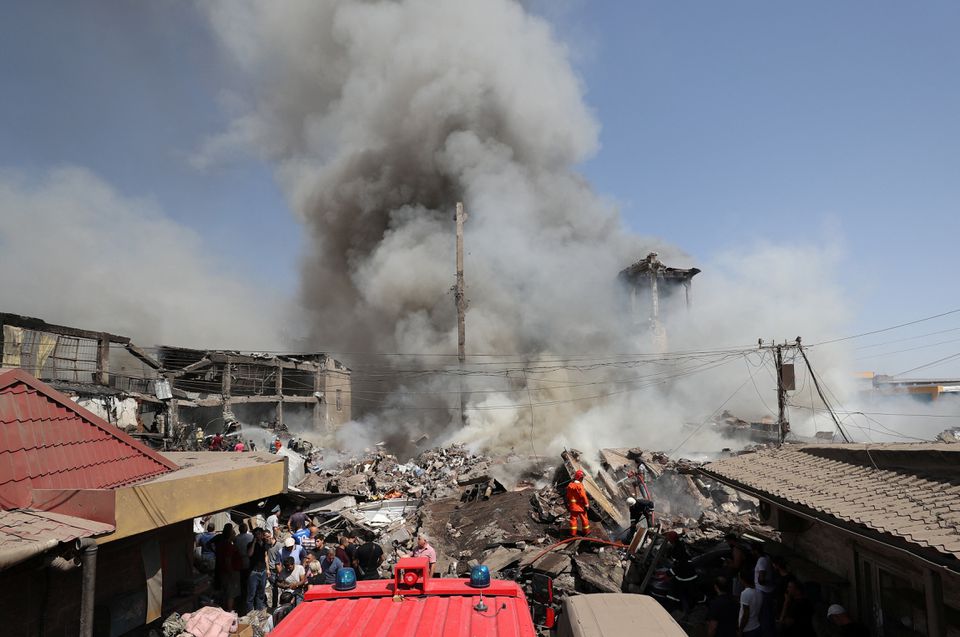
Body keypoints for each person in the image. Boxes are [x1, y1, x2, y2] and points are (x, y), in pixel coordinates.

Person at [751, 543, 775, 636]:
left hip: (763, 591)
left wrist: (761, 582)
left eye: (753, 551)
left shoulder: (761, 561)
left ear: (756, 551)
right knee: (768, 615)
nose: (752, 552)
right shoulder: (767, 557)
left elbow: (761, 577)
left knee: (765, 616)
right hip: (767, 591)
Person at [216, 524, 242, 611]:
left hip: (223, 571)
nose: (235, 534)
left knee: (226, 592)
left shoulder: (221, 543)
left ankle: (225, 609)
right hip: (230, 572)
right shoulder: (228, 546)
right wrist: (231, 572)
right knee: (231, 593)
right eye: (233, 533)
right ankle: (229, 611)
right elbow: (228, 560)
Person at [246, 528, 269, 612]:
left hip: (262, 571)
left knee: (261, 592)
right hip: (254, 571)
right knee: (251, 593)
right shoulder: (250, 544)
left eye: (260, 534)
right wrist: (254, 542)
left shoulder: (264, 543)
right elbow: (249, 554)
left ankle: (259, 610)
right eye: (256, 534)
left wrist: (268, 569)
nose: (258, 536)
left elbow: (266, 555)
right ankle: (250, 612)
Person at [738, 568, 762, 637]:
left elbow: (746, 614)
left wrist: (740, 630)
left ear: (743, 579)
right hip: (757, 625)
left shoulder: (745, 593)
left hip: (748, 629)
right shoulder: (759, 591)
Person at [565, 469, 590, 536]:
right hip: (580, 507)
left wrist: (569, 503)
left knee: (573, 519)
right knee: (584, 519)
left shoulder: (570, 485)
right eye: (582, 478)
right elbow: (583, 496)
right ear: (580, 478)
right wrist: (586, 504)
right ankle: (586, 532)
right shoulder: (580, 486)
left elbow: (568, 495)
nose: (583, 479)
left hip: (573, 506)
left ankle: (573, 533)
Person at [235, 523, 254, 606]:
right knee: (249, 578)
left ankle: (243, 595)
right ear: (246, 529)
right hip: (248, 559)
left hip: (240, 560)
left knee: (242, 579)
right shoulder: (250, 536)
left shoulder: (236, 538)